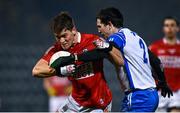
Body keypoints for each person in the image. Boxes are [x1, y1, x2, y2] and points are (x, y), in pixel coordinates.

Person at [54, 7, 172, 112]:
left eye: (100, 27)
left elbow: (101, 53)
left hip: (139, 97)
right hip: (148, 95)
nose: (99, 31)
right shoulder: (136, 37)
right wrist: (163, 82)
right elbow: (156, 61)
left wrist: (74, 57)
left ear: (109, 25)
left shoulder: (118, 37)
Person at [32, 12, 113, 112]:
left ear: (73, 30)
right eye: (58, 37)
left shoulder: (92, 41)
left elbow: (113, 56)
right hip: (75, 102)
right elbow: (36, 71)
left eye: (64, 35)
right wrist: (61, 71)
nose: (62, 41)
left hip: (98, 104)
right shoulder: (56, 50)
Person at [149, 16, 180, 112]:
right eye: (167, 25)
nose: (169, 28)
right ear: (163, 29)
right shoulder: (154, 48)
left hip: (178, 91)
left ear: (177, 28)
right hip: (160, 91)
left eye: (172, 25)